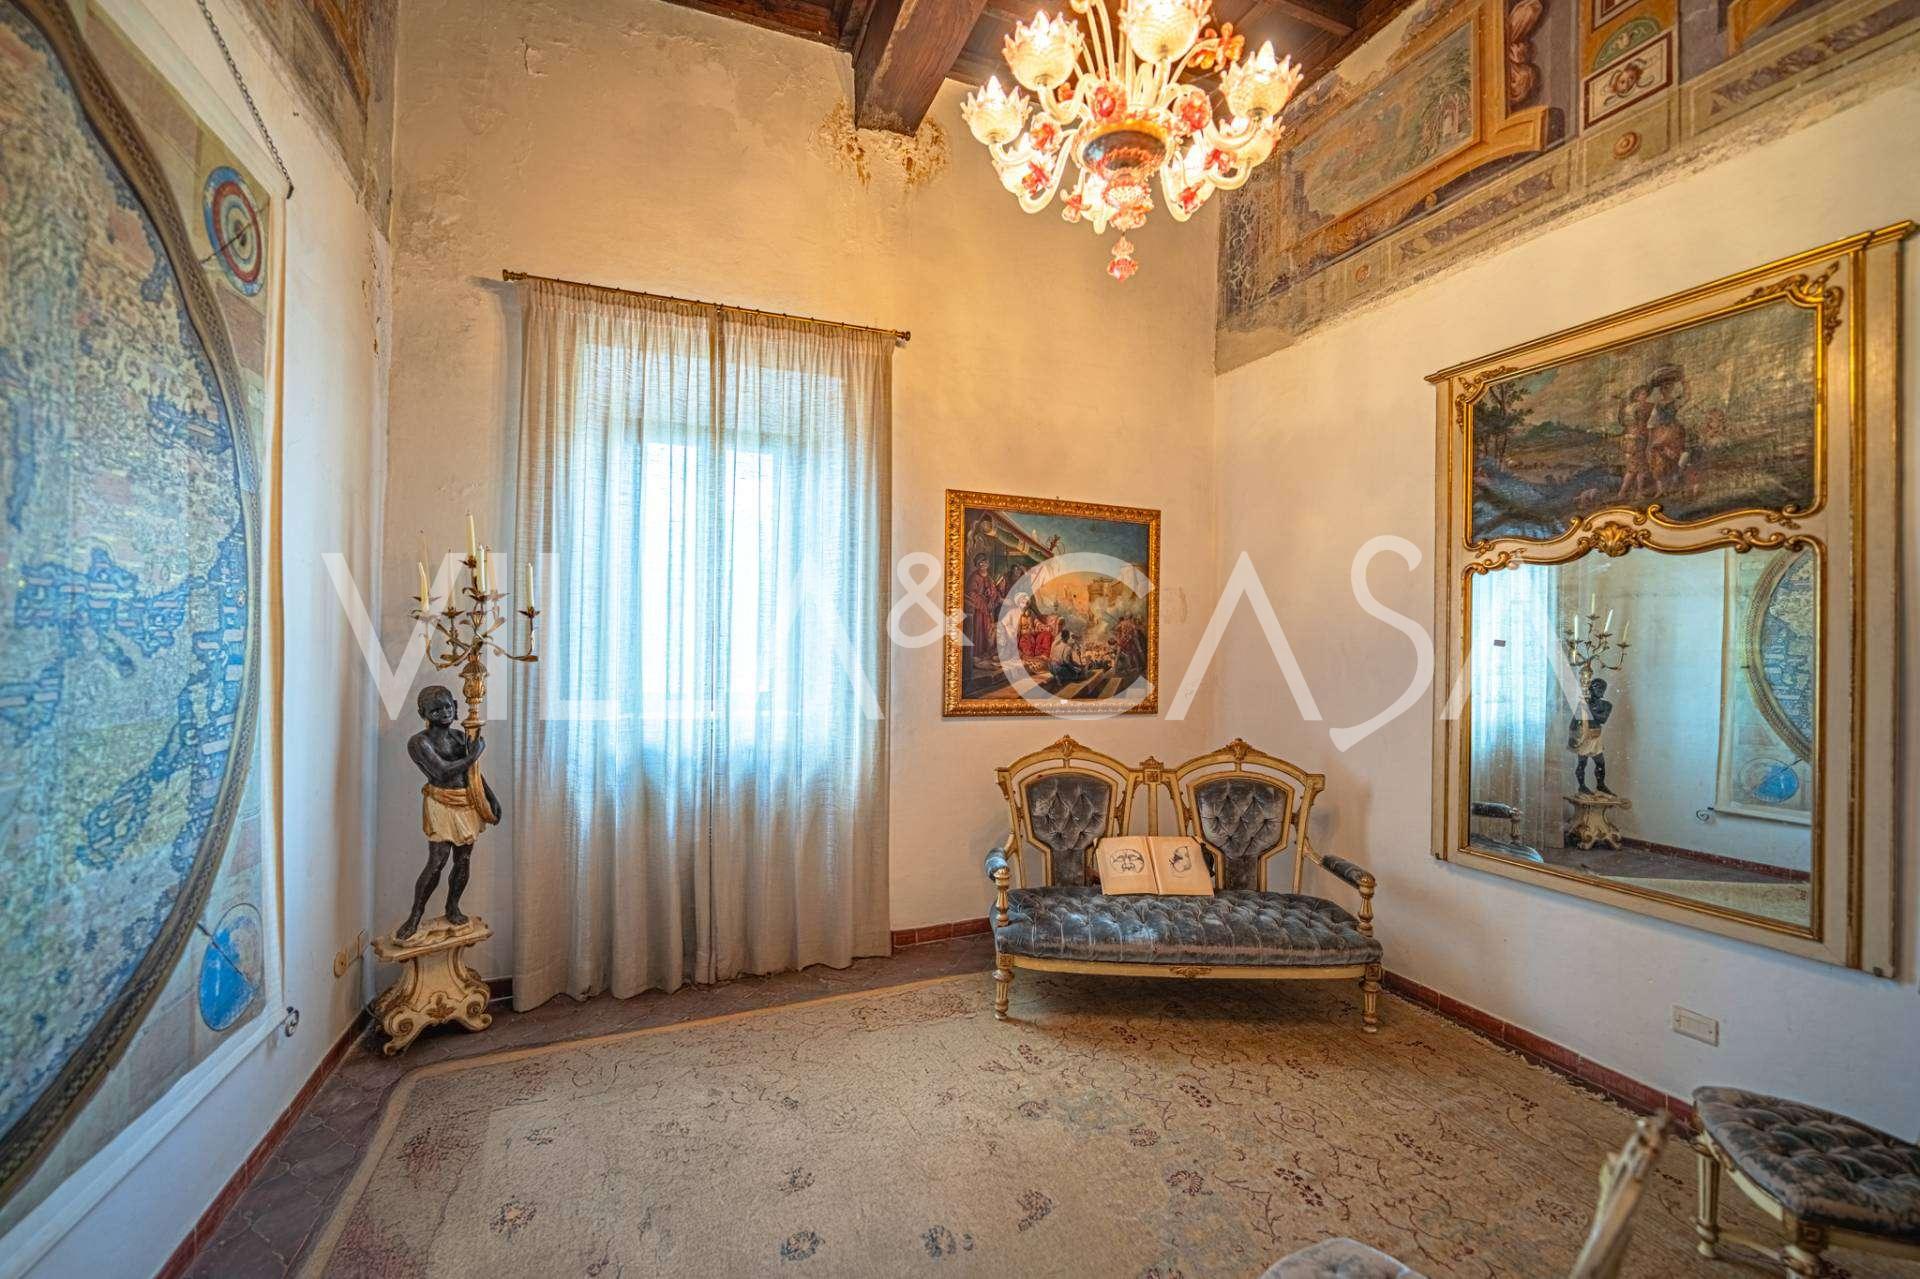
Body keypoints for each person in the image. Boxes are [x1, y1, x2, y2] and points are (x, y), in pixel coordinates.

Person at [397, 685, 501, 939]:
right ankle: (415, 915)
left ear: (455, 706)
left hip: (466, 801)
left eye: (447, 707)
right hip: (441, 802)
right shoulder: (419, 742)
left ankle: (453, 906)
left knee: (463, 859)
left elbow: (473, 774)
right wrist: (475, 754)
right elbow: (442, 772)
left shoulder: (458, 736)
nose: (443, 713)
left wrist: (490, 797)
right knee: (437, 862)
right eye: (435, 710)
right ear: (423, 713)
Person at [1568, 678, 1614, 795]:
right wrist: (1572, 737)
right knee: (1582, 763)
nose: (1599, 690)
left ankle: (1600, 784)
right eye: (1596, 687)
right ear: (1591, 689)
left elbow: (1602, 719)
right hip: (1584, 736)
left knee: (1600, 763)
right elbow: (1574, 722)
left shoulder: (1606, 705)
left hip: (1596, 736)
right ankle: (1582, 786)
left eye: (1602, 688)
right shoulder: (1583, 704)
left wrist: (1587, 709)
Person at [1615, 384, 1653, 502]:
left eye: (1645, 394)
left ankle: (1625, 492)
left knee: (1634, 468)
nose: (1644, 396)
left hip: (1632, 439)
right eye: (1642, 394)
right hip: (1636, 440)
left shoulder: (1629, 408)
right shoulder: (1641, 407)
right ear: (1636, 396)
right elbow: (1640, 423)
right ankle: (1636, 492)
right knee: (1638, 468)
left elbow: (1622, 421)